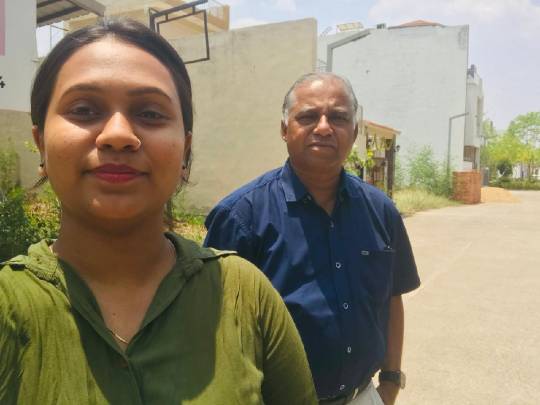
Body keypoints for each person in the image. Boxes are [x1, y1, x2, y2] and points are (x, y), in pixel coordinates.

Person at [0, 19, 317, 405]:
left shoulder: (244, 295)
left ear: (185, 150)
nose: (118, 135)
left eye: (150, 114)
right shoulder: (8, 306)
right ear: (40, 143)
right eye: (84, 109)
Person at [204, 72, 420, 405]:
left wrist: (390, 382)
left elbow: (393, 297)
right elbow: (211, 323)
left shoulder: (381, 211)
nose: (323, 127)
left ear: (354, 131)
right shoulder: (241, 217)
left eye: (338, 117)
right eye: (307, 117)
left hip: (363, 396)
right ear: (284, 129)